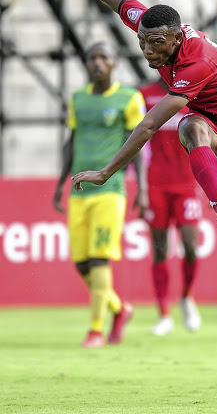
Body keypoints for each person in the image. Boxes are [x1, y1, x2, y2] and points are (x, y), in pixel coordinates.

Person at [62, 0, 217, 396]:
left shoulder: (195, 63)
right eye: (143, 41)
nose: (146, 50)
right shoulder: (150, 25)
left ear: (178, 39)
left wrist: (106, 171)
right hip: (212, 125)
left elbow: (147, 125)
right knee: (193, 127)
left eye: (157, 45)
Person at [53, 41, 148, 348]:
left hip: (111, 190)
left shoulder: (128, 98)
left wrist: (142, 188)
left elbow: (138, 146)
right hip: (79, 192)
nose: (97, 63)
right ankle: (119, 310)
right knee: (81, 263)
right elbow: (72, 140)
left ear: (114, 63)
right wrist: (59, 183)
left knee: (98, 261)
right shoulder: (78, 99)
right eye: (91, 58)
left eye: (103, 57)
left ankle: (96, 330)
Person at [139, 78, 202, 336]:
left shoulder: (193, 92)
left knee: (190, 247)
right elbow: (138, 140)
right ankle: (164, 313)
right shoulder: (144, 95)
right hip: (156, 184)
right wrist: (141, 187)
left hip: (187, 183)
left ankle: (186, 297)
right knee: (160, 250)